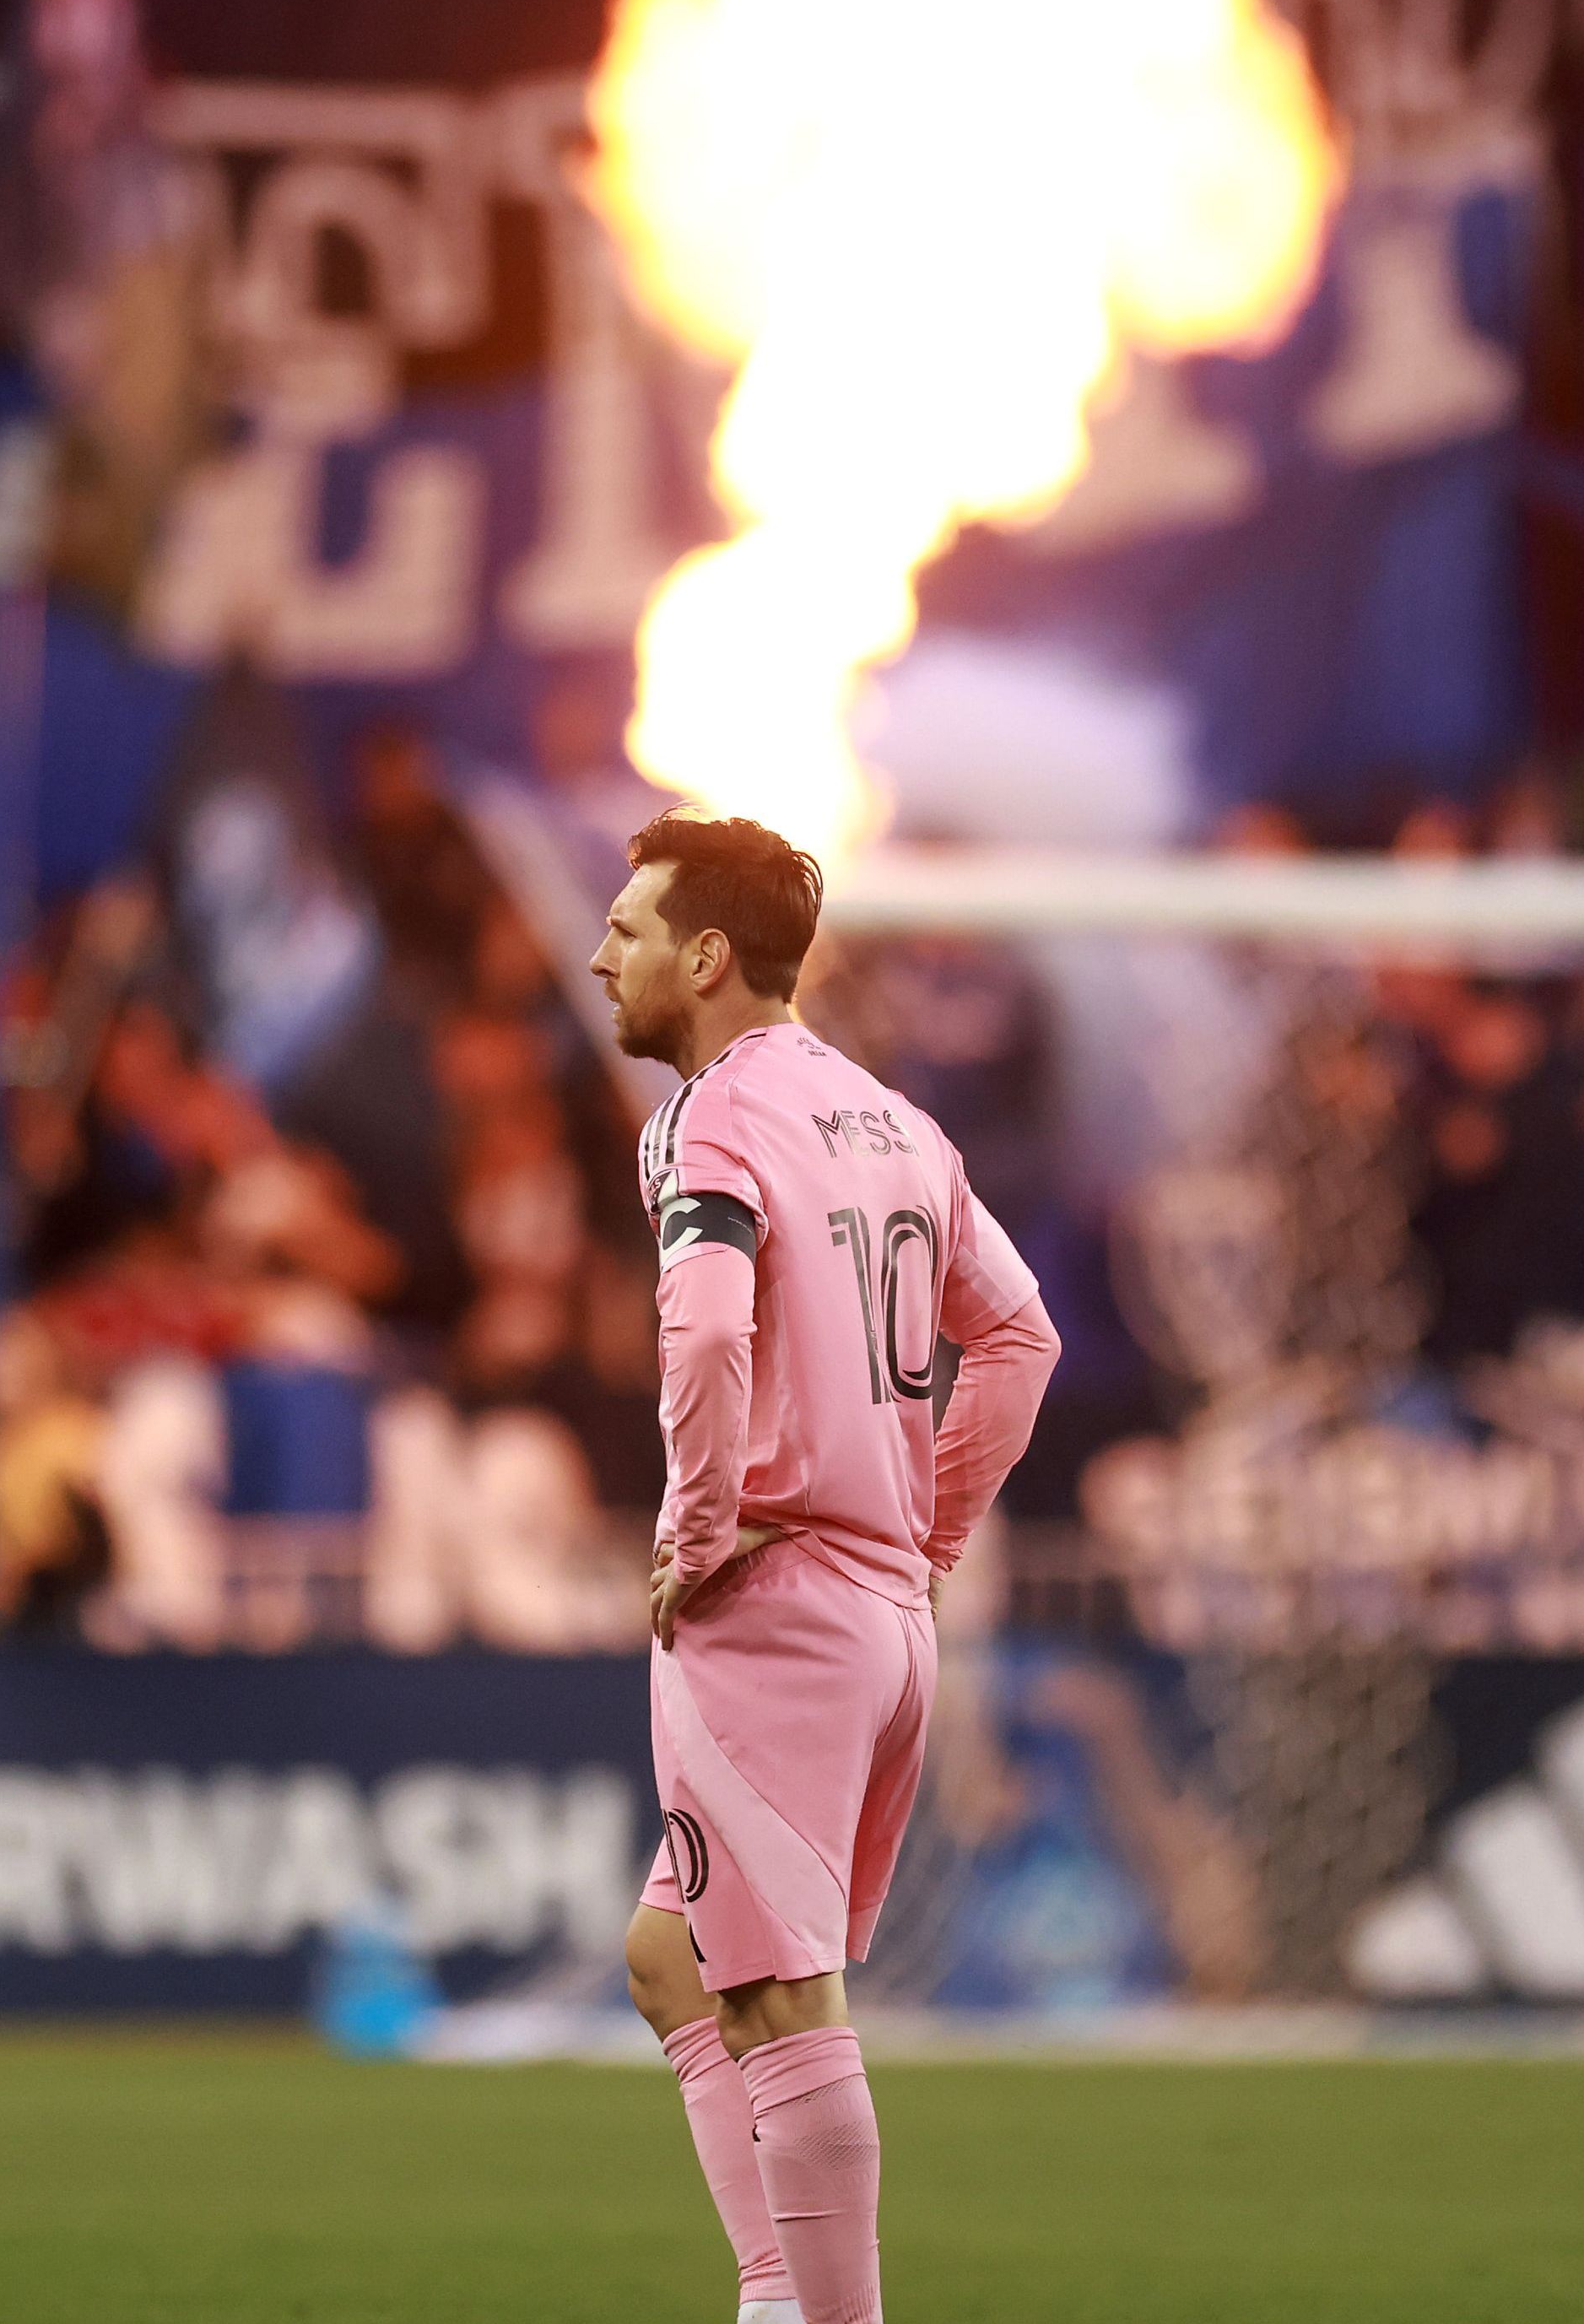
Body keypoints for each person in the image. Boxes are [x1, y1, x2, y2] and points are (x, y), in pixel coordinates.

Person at [590, 813, 1061, 2324]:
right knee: (674, 1958)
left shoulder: (705, 1121)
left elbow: (709, 1326)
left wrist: (699, 1526)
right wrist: (925, 1539)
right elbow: (1021, 1338)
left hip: (774, 1614)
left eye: (631, 926)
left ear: (708, 958)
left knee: (785, 2007)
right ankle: (779, 2295)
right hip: (881, 1620)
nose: (604, 953)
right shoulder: (897, 1124)